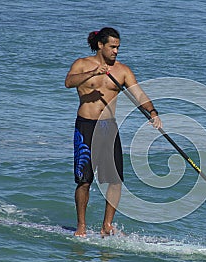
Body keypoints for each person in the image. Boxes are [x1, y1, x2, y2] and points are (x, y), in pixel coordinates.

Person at [65, 27, 162, 237]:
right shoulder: (82, 64)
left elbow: (138, 94)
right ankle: (81, 226)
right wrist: (92, 73)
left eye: (118, 47)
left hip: (108, 127)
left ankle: (106, 225)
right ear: (101, 45)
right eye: (112, 47)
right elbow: (68, 82)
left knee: (116, 179)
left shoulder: (122, 71)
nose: (116, 51)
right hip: (86, 127)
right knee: (84, 180)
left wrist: (153, 112)